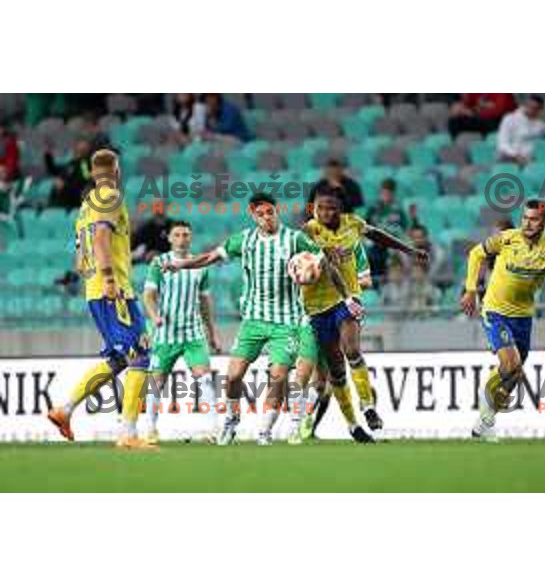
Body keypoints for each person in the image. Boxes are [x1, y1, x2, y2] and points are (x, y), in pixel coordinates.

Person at [163, 192, 373, 445]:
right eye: (260, 214)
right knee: (233, 376)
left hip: (286, 321)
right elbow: (209, 257)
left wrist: (347, 297)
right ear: (253, 216)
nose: (267, 218)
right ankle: (231, 420)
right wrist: (181, 265)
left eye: (270, 212)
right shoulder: (244, 240)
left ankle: (265, 430)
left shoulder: (295, 239)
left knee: (279, 375)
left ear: (277, 212)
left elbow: (327, 262)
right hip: (253, 320)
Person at [460, 199, 545, 442]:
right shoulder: (507, 238)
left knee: (514, 374)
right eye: (525, 217)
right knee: (512, 365)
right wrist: (470, 289)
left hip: (523, 316)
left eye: (533, 219)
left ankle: (486, 419)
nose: (528, 223)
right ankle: (486, 403)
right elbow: (476, 253)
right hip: (495, 311)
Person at [47, 148, 153, 449]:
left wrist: (97, 275)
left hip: (94, 290)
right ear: (116, 171)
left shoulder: (85, 205)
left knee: (119, 358)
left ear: (92, 173)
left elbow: (81, 255)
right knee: (141, 353)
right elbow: (102, 237)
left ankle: (64, 410)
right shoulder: (109, 197)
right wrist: (109, 278)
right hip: (113, 289)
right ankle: (128, 434)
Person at [302, 185, 428, 435]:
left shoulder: (353, 224)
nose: (325, 213)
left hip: (347, 300)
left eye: (330, 208)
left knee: (352, 350)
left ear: (341, 209)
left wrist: (408, 249)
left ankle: (368, 406)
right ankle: (351, 424)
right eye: (320, 208)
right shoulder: (309, 230)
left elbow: (378, 235)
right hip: (317, 307)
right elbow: (297, 256)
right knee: (336, 372)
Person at [143, 220, 220, 444]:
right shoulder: (159, 262)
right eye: (177, 235)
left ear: (191, 238)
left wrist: (212, 332)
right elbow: (148, 295)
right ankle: (150, 428)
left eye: (186, 235)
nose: (181, 239)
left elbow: (205, 302)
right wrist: (154, 316)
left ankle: (213, 429)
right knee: (156, 382)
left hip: (193, 333)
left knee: (204, 379)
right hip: (165, 332)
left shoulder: (200, 266)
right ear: (169, 238)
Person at [300, 242, 373, 440]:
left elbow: (367, 281)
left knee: (332, 382)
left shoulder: (354, 246)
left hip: (341, 313)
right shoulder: (309, 248)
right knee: (320, 381)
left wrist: (345, 287)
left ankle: (311, 425)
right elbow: (299, 275)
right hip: (317, 316)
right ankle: (302, 419)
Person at [496, 95, 545, 165]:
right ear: (524, 105)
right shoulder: (509, 119)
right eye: (529, 106)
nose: (530, 110)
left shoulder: (541, 123)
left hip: (531, 161)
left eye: (535, 108)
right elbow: (502, 144)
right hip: (510, 159)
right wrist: (516, 155)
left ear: (540, 110)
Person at [365, 178, 410, 288]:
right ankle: (371, 284)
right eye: (384, 193)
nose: (386, 196)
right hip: (375, 243)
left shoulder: (398, 211)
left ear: (393, 194)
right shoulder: (373, 209)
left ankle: (399, 284)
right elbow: (364, 227)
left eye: (389, 193)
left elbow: (405, 229)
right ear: (380, 193)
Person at [45, 138, 92, 210]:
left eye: (82, 148)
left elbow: (83, 184)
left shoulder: (84, 165)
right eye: (77, 147)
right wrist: (48, 155)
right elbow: (54, 170)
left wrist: (64, 187)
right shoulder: (71, 164)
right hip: (61, 201)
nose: (77, 150)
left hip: (73, 203)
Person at [448, 93, 516, 139]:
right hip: (480, 119)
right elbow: (467, 105)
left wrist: (474, 112)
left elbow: (498, 111)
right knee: (454, 121)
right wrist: (461, 109)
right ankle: (455, 145)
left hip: (501, 122)